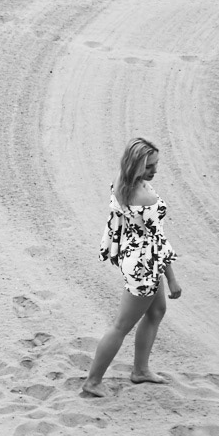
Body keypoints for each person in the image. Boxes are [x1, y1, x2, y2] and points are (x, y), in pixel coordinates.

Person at [82, 137, 182, 397]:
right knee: (121, 326)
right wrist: (171, 278)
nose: (155, 171)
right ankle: (93, 381)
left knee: (157, 310)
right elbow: (158, 240)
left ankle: (140, 370)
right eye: (149, 166)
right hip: (145, 264)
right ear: (136, 166)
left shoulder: (122, 183)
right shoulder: (143, 198)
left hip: (135, 256)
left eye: (156, 164)